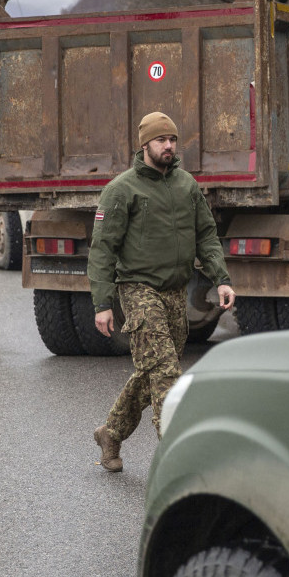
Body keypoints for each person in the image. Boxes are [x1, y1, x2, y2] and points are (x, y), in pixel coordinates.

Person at [88, 112, 235, 472]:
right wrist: (103, 303)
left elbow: (206, 236)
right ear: (145, 145)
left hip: (174, 292)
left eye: (172, 139)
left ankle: (111, 433)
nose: (168, 146)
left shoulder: (187, 186)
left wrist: (221, 278)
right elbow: (103, 249)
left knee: (153, 369)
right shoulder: (122, 190)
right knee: (167, 371)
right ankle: (178, 457)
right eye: (160, 140)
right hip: (138, 289)